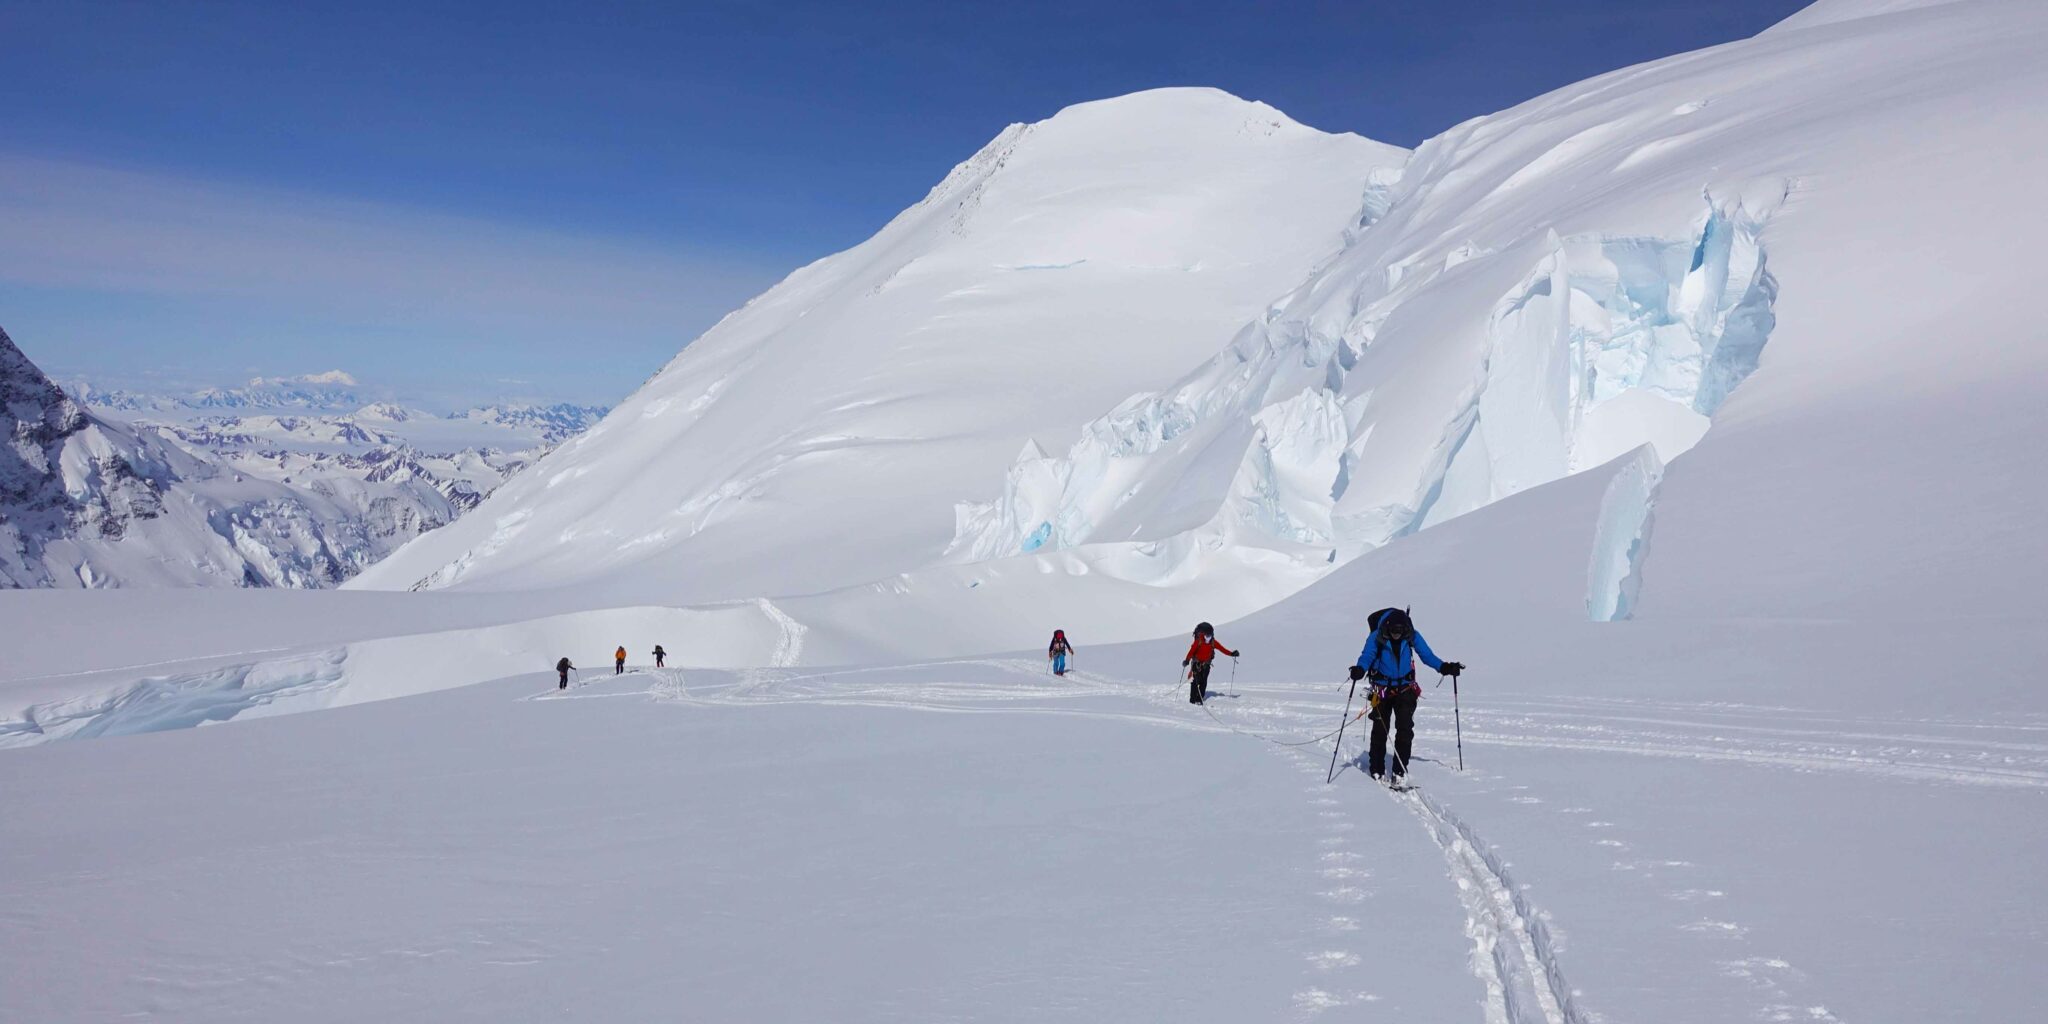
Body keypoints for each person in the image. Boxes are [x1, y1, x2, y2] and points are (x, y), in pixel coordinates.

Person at [1347, 608, 1463, 783]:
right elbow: (1367, 655)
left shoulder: (1411, 635)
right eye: (1393, 631)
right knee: (1380, 729)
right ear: (1387, 627)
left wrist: (1445, 667)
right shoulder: (1377, 636)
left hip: (1405, 690)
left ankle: (1399, 772)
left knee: (1405, 730)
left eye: (1399, 632)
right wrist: (1360, 669)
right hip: (1381, 689)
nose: (1396, 635)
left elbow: (1427, 655)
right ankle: (1376, 770)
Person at [1182, 622, 1239, 705]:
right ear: (1203, 634)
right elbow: (1191, 652)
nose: (1208, 637)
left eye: (1210, 635)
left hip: (1206, 664)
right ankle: (1192, 700)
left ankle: (1199, 699)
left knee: (1204, 681)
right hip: (1196, 664)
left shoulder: (1213, 642)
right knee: (1196, 681)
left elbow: (1222, 649)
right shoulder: (1198, 641)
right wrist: (1187, 660)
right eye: (1207, 635)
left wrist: (1232, 654)